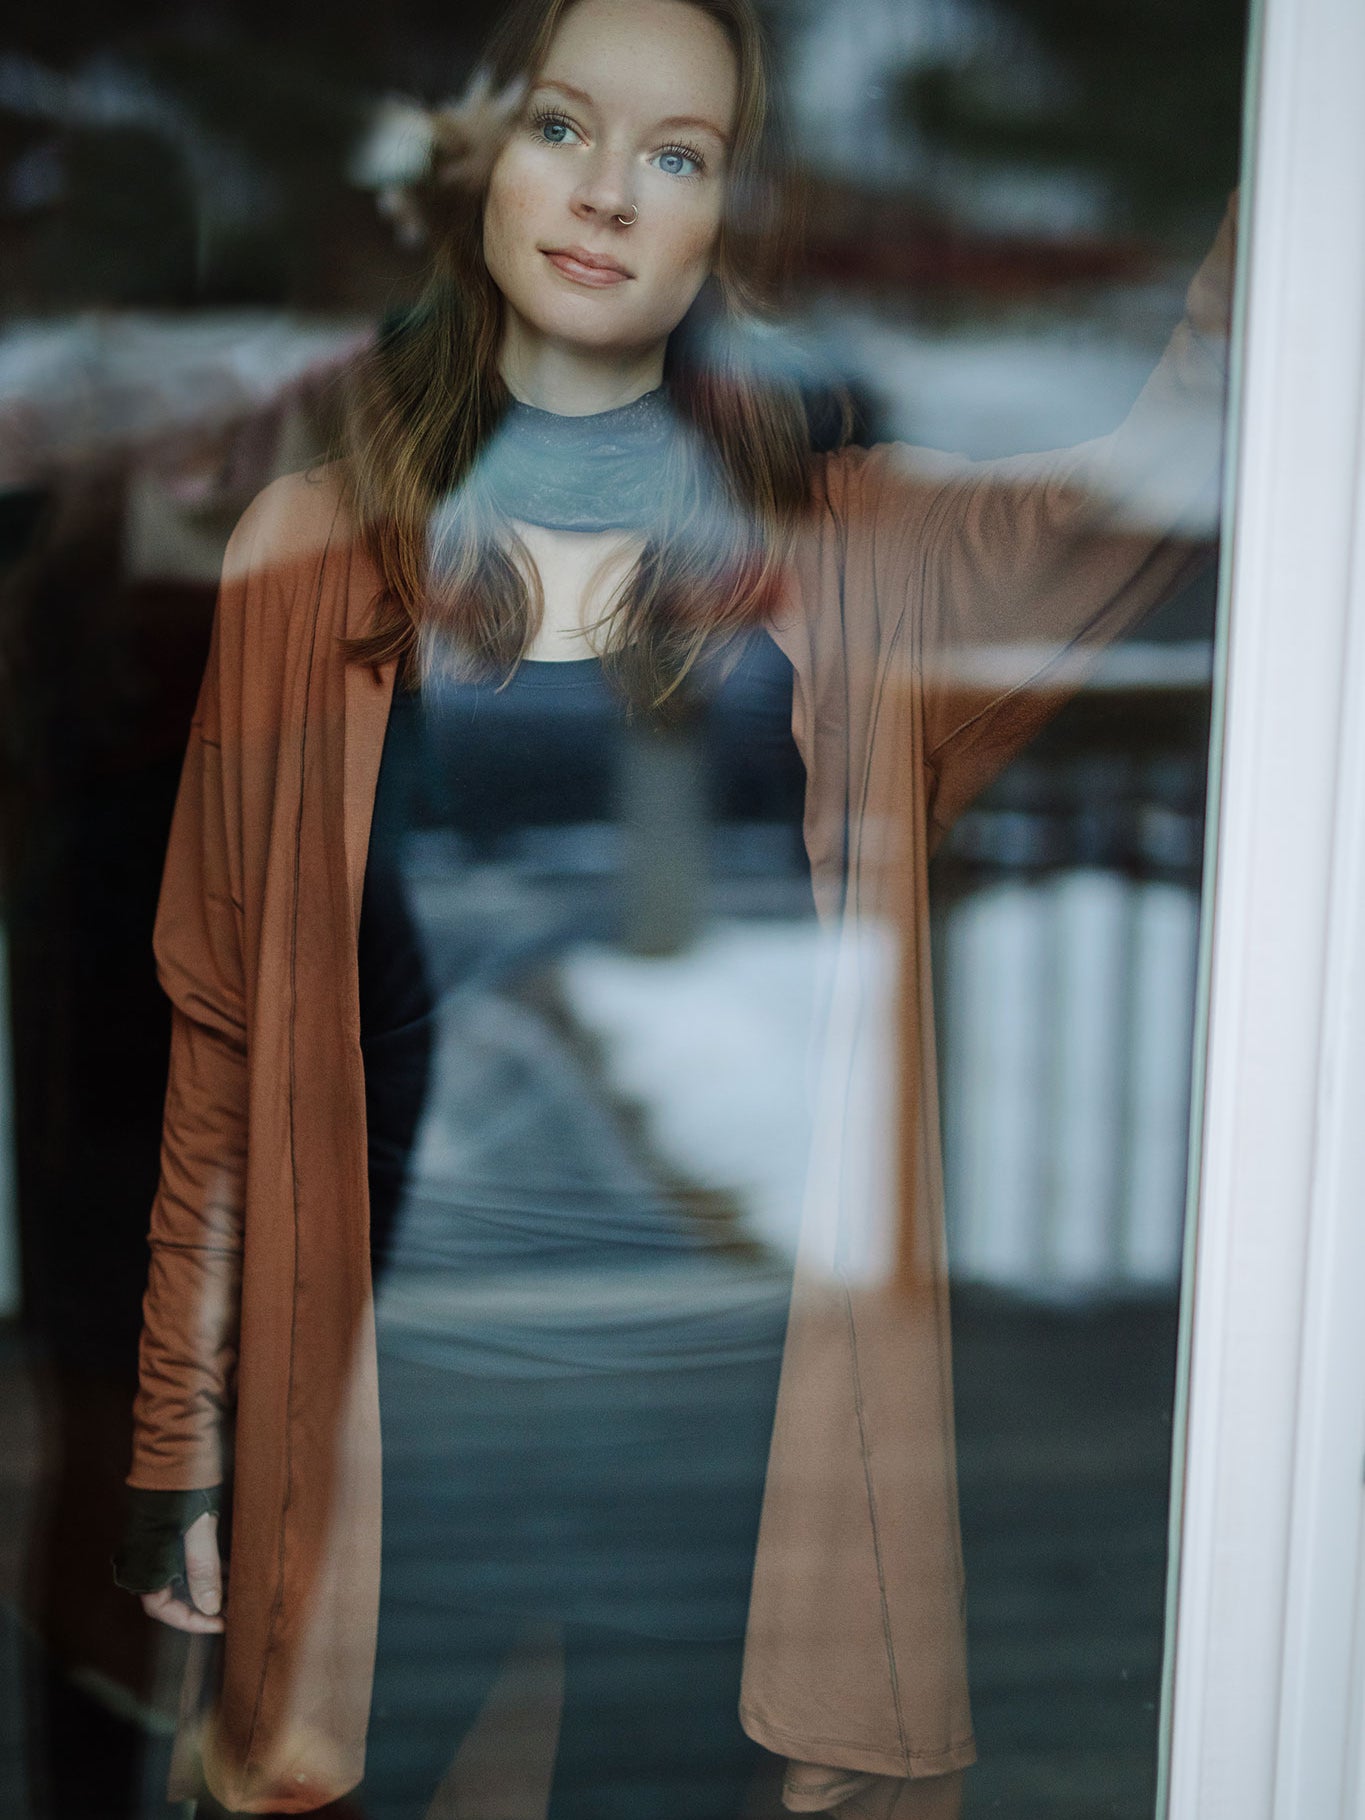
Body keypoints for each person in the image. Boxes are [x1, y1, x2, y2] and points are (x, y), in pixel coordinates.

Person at [111, 0, 1239, 1815]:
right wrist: (182, 1431)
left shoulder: (860, 545)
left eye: (680, 154)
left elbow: (1174, 445)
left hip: (733, 1425)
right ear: (483, 168)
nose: (608, 194)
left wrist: (1268, 171)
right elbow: (223, 1036)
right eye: (565, 126)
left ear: (732, 221)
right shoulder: (304, 556)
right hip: (407, 1400)